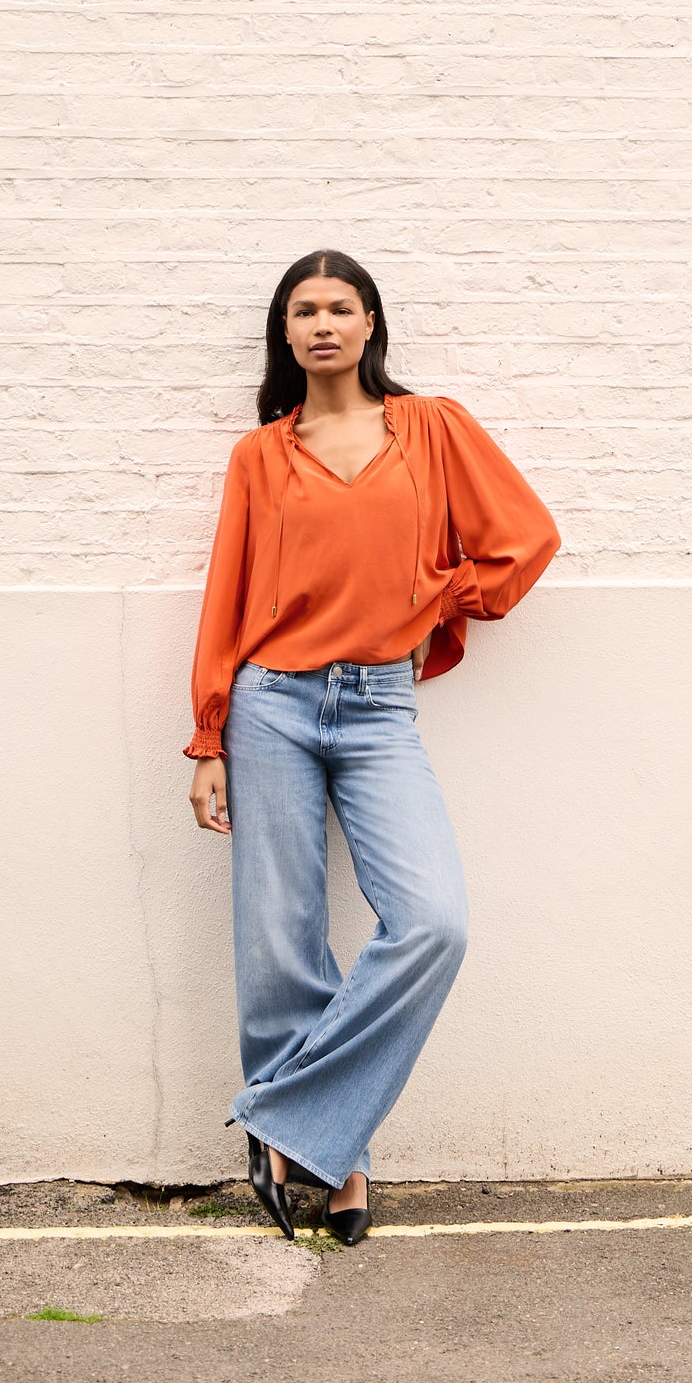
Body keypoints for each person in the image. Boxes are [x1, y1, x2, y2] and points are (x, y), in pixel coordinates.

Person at [185, 249, 559, 1243]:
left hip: (378, 704)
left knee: (432, 919)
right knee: (280, 935)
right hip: (270, 702)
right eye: (302, 310)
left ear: (368, 323)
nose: (320, 324)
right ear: (286, 333)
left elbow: (523, 540)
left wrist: (445, 594)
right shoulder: (260, 455)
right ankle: (338, 1155)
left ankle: (285, 1123)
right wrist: (209, 733)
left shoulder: (429, 428)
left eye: (337, 307)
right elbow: (226, 595)